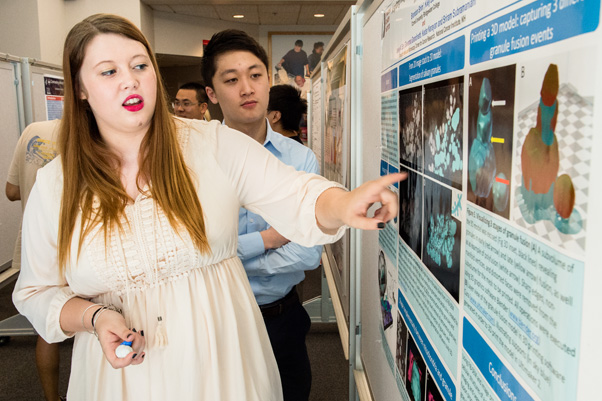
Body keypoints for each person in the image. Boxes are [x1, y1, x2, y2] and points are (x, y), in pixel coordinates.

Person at [13, 14, 403, 401]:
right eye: (108, 72)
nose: (130, 80)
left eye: (139, 65)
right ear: (79, 87)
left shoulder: (212, 145)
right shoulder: (57, 185)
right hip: (122, 379)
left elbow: (297, 193)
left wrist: (345, 202)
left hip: (224, 364)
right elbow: (35, 291)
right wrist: (93, 317)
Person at [202, 30, 321, 400]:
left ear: (268, 81)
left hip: (280, 318)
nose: (246, 88)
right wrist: (268, 240)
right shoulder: (195, 160)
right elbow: (192, 252)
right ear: (212, 93)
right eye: (231, 79)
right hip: (215, 322)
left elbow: (308, 253)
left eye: (255, 75)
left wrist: (229, 259)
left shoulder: (299, 158)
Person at [6, 119, 63, 401]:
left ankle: (52, 398)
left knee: (47, 326)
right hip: (77, 241)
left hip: (38, 241)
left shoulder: (32, 130)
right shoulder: (96, 132)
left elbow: (11, 191)